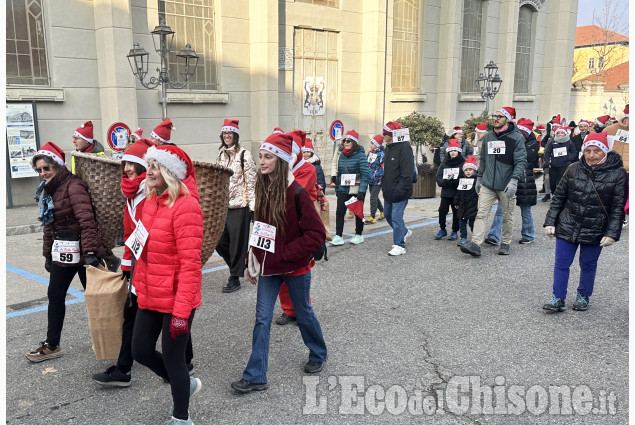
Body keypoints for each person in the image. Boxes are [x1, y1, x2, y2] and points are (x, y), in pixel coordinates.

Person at [92, 139, 196, 387]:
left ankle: (133, 369)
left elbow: (186, 259)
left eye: (133, 163)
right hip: (144, 268)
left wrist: (183, 309)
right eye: (125, 163)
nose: (127, 168)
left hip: (161, 273)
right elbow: (133, 233)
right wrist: (128, 265)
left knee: (159, 324)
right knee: (144, 329)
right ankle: (181, 366)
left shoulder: (159, 196)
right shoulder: (136, 193)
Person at [231, 133, 327, 394]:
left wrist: (286, 255)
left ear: (281, 160)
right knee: (262, 319)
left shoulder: (296, 192)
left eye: (267, 157)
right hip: (269, 270)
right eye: (260, 156)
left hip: (296, 268)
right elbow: (262, 228)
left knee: (304, 313)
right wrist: (254, 258)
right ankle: (255, 376)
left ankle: (318, 353)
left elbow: (316, 234)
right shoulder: (263, 188)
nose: (261, 162)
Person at [131, 145, 203, 425]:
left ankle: (181, 417)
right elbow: (143, 250)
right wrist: (135, 286)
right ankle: (183, 383)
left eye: (155, 166)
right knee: (140, 350)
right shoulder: (150, 201)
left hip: (177, 301)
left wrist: (182, 313)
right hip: (150, 294)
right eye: (148, 164)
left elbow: (190, 265)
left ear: (171, 173)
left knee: (175, 360)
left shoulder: (187, 207)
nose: (148, 170)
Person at [27, 142, 107, 362]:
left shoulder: (74, 186)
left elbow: (87, 220)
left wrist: (90, 251)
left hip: (84, 253)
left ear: (57, 165)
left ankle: (116, 344)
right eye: (40, 170)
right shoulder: (47, 191)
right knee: (55, 295)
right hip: (63, 252)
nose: (43, 173)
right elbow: (48, 226)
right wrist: (47, 256)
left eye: (46, 168)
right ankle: (52, 345)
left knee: (99, 300)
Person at [542, 132, 626, 312]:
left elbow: (617, 207)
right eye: (588, 150)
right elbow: (559, 198)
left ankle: (583, 295)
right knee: (561, 263)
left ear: (605, 152)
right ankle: (558, 298)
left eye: (596, 151)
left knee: (588, 264)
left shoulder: (618, 173)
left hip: (596, 226)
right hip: (568, 222)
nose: (591, 155)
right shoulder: (573, 168)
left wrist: (612, 233)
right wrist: (550, 221)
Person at [460, 106, 526, 257]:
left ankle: (505, 243)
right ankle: (476, 244)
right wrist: (479, 178)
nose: (496, 119)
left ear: (508, 119)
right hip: (488, 184)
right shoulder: (488, 137)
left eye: (500, 117)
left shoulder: (516, 138)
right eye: (494, 116)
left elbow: (521, 161)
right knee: (481, 213)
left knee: (507, 216)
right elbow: (483, 159)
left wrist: (514, 180)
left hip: (506, 185)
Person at [275, 130, 318, 326]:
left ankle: (302, 310)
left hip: (301, 228)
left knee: (300, 272)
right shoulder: (280, 169)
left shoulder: (307, 169)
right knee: (282, 271)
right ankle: (288, 310)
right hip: (282, 225)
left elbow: (293, 193)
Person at [215, 119, 257, 293]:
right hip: (224, 206)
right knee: (219, 241)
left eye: (230, 133)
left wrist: (253, 208)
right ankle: (238, 264)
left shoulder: (245, 155)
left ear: (235, 135)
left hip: (241, 206)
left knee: (237, 244)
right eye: (225, 133)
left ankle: (234, 278)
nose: (227, 136)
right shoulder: (220, 155)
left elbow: (251, 182)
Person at [485, 118, 540, 245]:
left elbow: (526, 158)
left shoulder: (533, 144)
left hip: (525, 180)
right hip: (508, 179)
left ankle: (528, 234)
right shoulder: (509, 140)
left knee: (525, 210)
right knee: (501, 209)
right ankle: (494, 235)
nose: (518, 135)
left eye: (521, 133)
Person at [381, 121, 415, 256]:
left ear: (392, 135)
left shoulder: (405, 147)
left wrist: (400, 190)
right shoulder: (388, 147)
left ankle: (400, 245)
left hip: (400, 190)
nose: (383, 136)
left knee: (396, 217)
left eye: (385, 134)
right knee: (388, 214)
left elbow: (407, 172)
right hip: (389, 189)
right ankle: (404, 232)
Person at [330, 130, 368, 246]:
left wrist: (362, 191)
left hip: (356, 188)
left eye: (348, 141)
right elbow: (339, 172)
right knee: (340, 211)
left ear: (354, 143)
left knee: (357, 212)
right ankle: (338, 235)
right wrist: (337, 187)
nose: (345, 143)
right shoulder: (342, 155)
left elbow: (365, 174)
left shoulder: (361, 156)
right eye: (344, 141)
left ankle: (358, 234)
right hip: (343, 187)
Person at [302, 137, 331, 242]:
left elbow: (321, 181)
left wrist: (320, 191)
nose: (305, 154)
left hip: (314, 195)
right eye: (303, 152)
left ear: (311, 153)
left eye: (307, 152)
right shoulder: (299, 165)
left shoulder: (316, 167)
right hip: (304, 194)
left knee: (316, 216)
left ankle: (319, 234)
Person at [435, 139, 465, 240]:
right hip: (446, 193)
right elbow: (438, 179)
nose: (453, 152)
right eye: (451, 151)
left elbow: (466, 177)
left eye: (455, 151)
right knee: (442, 211)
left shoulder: (463, 164)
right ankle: (442, 229)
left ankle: (454, 231)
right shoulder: (444, 164)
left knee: (456, 213)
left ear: (459, 151)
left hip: (457, 193)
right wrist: (446, 182)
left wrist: (456, 181)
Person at [543, 126, 577, 198]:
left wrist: (568, 158)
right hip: (553, 165)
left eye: (562, 133)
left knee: (560, 182)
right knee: (552, 182)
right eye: (559, 133)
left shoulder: (569, 142)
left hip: (564, 165)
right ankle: (553, 194)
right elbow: (547, 152)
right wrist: (547, 161)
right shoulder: (553, 142)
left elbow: (574, 152)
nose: (560, 134)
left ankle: (559, 197)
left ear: (565, 134)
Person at [453, 155, 479, 246]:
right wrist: (456, 202)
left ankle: (476, 238)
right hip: (462, 206)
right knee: (462, 224)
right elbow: (458, 192)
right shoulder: (462, 180)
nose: (468, 172)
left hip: (473, 206)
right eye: (466, 170)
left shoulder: (477, 181)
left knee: (473, 224)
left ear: (474, 170)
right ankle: (463, 237)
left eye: (470, 170)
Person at [365, 134, 385, 224]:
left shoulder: (382, 154)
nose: (370, 145)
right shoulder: (370, 153)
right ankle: (382, 212)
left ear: (377, 144)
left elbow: (383, 167)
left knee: (373, 197)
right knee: (374, 197)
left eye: (372, 143)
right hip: (370, 178)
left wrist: (379, 177)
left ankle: (372, 216)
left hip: (378, 179)